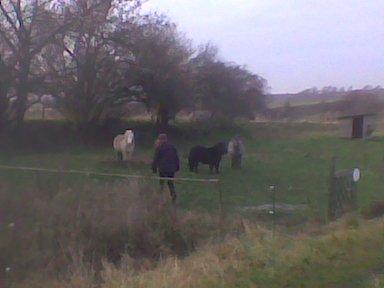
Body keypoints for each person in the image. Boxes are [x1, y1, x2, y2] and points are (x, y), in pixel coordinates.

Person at [152, 133, 180, 203]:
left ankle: (161, 197)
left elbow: (156, 159)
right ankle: (173, 196)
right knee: (170, 183)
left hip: (163, 169)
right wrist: (177, 167)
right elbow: (176, 158)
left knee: (161, 183)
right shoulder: (172, 147)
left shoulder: (159, 148)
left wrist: (154, 168)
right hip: (171, 169)